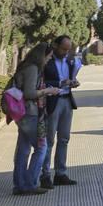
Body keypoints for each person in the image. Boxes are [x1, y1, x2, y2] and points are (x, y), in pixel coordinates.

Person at [11, 43, 62, 196]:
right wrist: (47, 91)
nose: (50, 59)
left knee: (23, 149)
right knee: (41, 147)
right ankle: (30, 184)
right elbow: (29, 93)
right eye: (49, 56)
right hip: (30, 113)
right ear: (42, 55)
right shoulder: (33, 68)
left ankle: (19, 185)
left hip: (23, 113)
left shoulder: (25, 66)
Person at [40, 35, 82, 188]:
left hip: (66, 101)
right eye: (63, 49)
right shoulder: (47, 61)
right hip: (52, 102)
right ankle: (44, 175)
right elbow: (41, 82)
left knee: (64, 139)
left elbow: (71, 77)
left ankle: (60, 173)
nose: (65, 52)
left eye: (68, 49)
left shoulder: (69, 61)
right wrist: (60, 83)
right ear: (55, 46)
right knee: (49, 140)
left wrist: (73, 82)